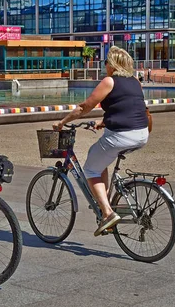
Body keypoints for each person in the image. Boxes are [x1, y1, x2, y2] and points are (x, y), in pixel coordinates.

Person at [53, 46, 149, 236]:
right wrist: (104, 122)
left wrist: (62, 122)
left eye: (106, 62)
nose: (105, 65)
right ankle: (104, 201)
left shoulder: (109, 81)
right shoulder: (135, 82)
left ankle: (107, 213)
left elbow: (84, 107)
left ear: (112, 64)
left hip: (122, 135)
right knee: (101, 160)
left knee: (90, 167)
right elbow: (128, 107)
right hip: (142, 133)